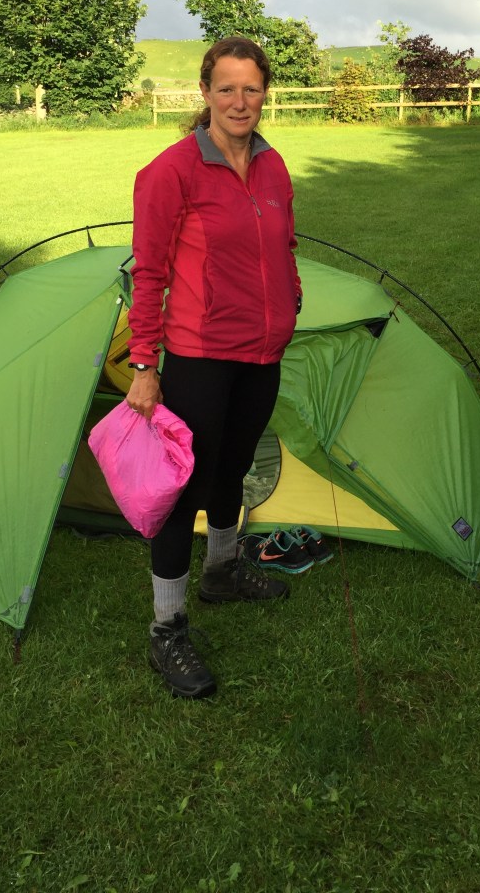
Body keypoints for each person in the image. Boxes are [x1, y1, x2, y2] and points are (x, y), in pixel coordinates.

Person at [126, 37, 302, 699]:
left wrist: (290, 294)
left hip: (263, 353)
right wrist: (144, 365)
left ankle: (223, 572)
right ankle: (166, 629)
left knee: (235, 467)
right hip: (200, 354)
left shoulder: (273, 165)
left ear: (265, 94)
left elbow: (283, 243)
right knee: (183, 489)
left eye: (251, 88)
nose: (239, 101)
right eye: (226, 88)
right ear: (205, 93)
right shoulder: (171, 172)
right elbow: (149, 274)